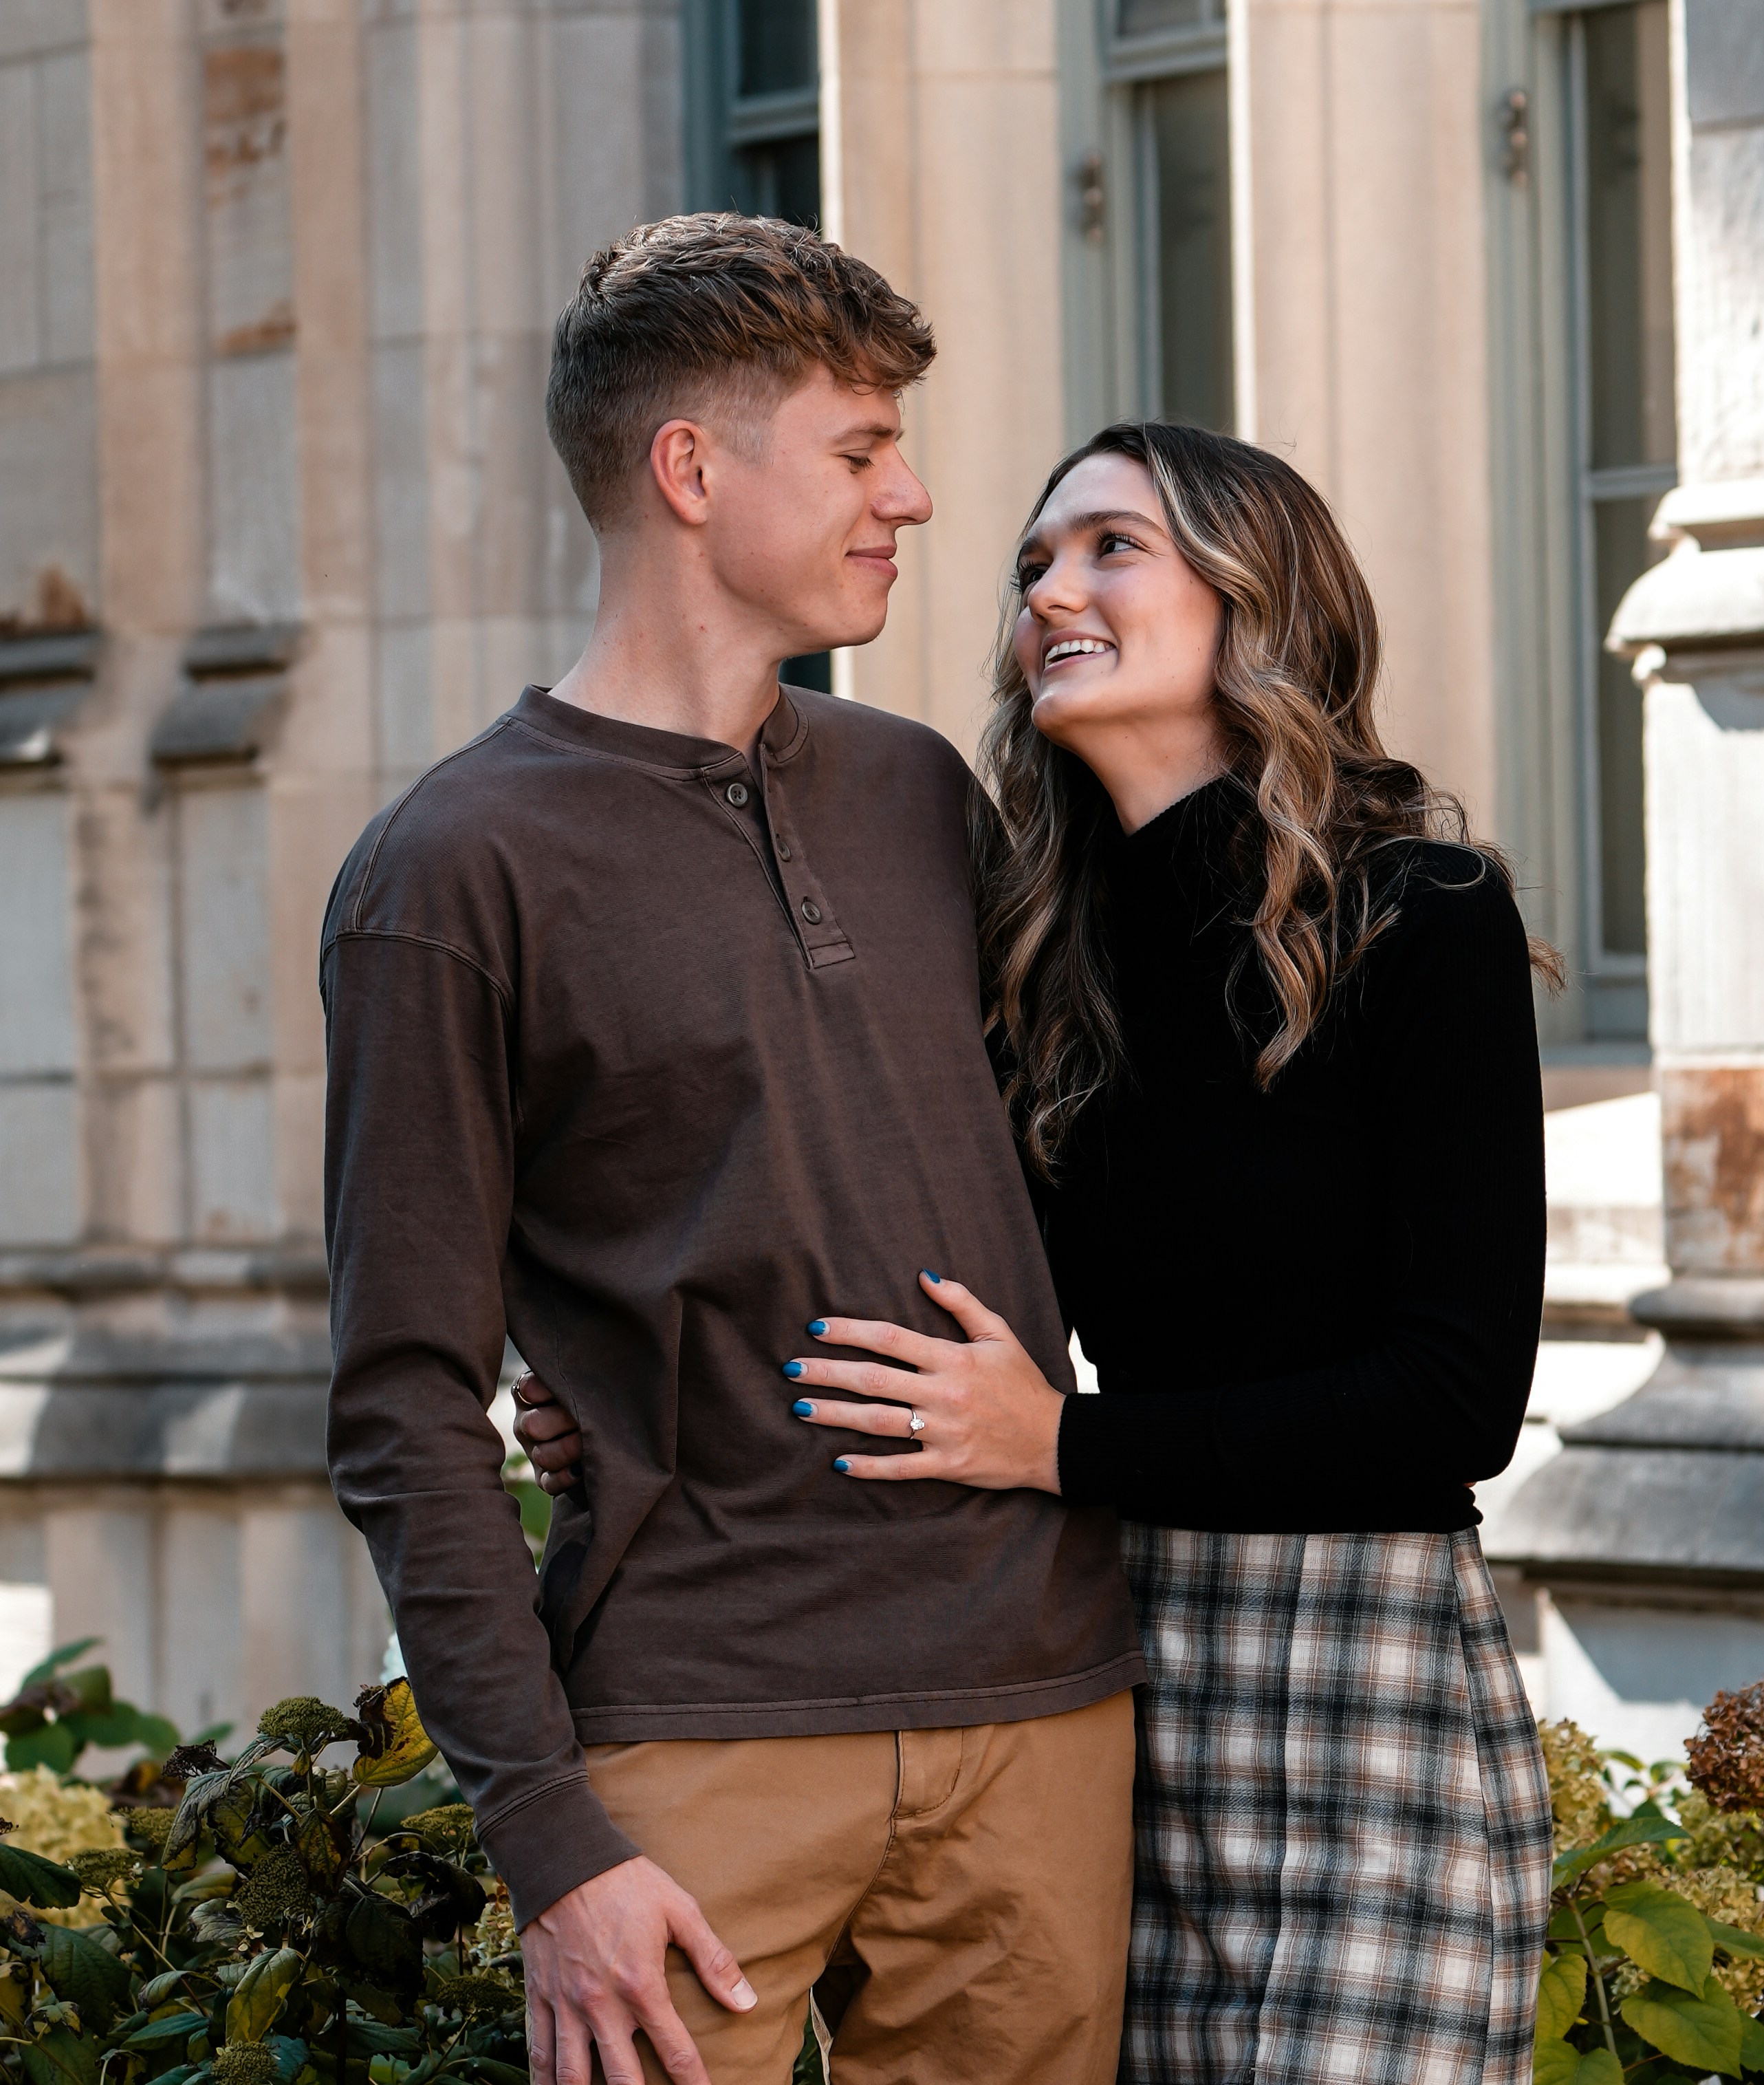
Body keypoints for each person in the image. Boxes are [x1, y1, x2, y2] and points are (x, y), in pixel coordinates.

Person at [519, 420, 1556, 2084]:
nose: (1049, 592)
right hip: (1086, 1670)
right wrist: (616, 1380)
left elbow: (1454, 1403)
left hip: (1353, 1669)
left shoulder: (1421, 915)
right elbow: (862, 1242)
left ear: (1253, 592)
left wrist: (1059, 1439)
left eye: (1109, 549)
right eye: (1030, 567)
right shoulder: (1025, 954)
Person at [320, 215, 1145, 2085]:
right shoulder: (454, 872)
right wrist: (553, 1849)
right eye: (860, 449)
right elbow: (400, 1404)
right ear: (692, 469)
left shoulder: (921, 788)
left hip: (1039, 1704)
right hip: (694, 1738)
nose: (915, 498)